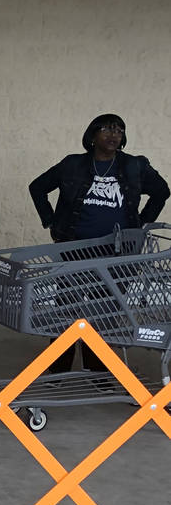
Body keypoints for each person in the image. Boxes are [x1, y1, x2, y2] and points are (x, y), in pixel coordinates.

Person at [29, 113, 169, 372]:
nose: (113, 134)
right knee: (67, 306)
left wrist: (141, 224)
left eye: (119, 130)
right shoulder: (73, 165)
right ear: (92, 135)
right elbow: (37, 187)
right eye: (106, 129)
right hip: (75, 247)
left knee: (104, 311)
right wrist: (50, 222)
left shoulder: (134, 165)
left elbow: (162, 191)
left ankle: (97, 369)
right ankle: (59, 368)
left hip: (117, 251)